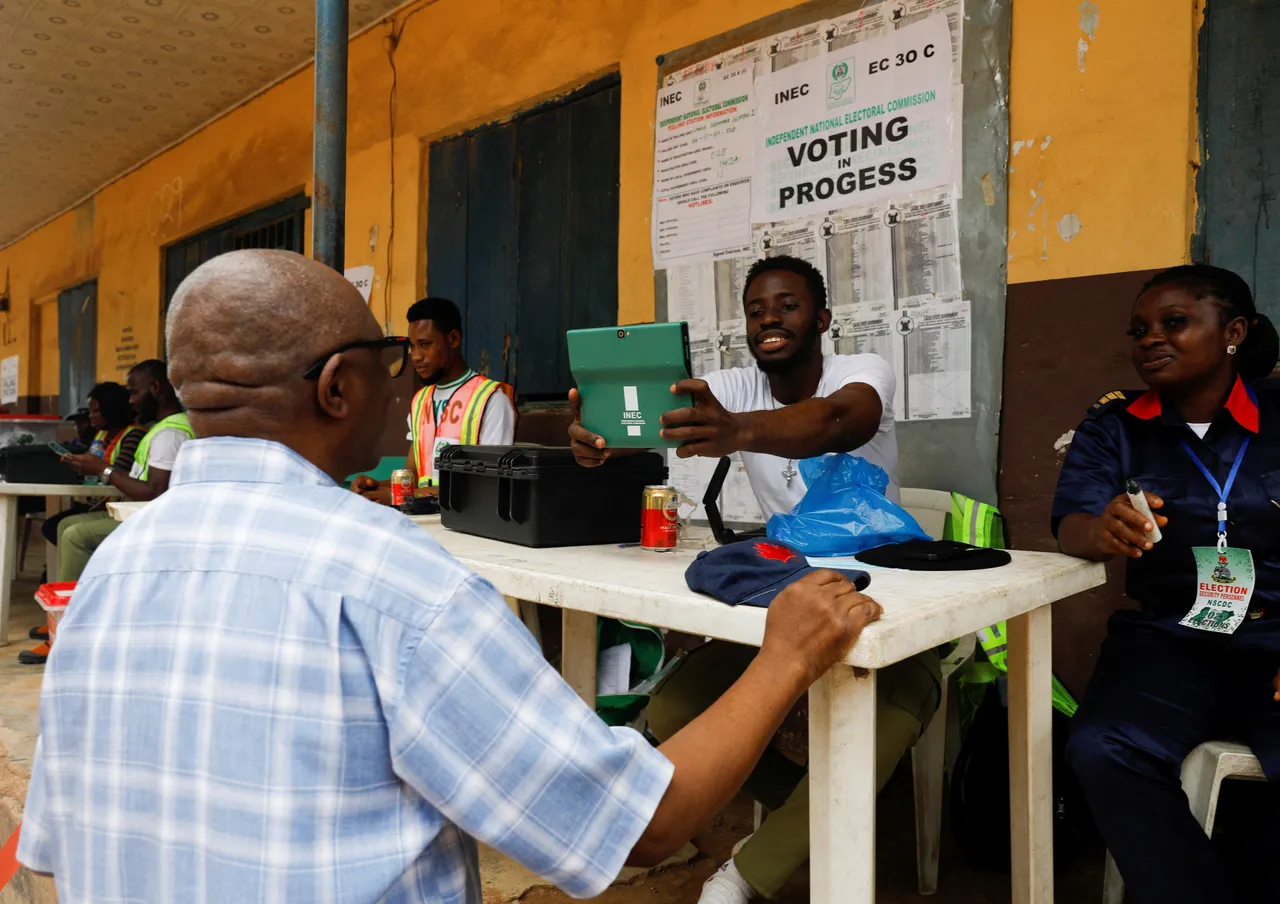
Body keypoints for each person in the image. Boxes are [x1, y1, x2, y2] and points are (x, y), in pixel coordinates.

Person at [18, 249, 885, 902]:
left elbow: (54, 849)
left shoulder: (109, 569)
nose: (403, 377)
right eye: (387, 357)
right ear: (336, 388)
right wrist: (787, 656)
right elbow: (639, 827)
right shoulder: (395, 580)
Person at [569, 254, 940, 903]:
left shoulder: (862, 373)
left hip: (882, 595)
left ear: (822, 317)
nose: (769, 317)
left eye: (787, 304)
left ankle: (745, 875)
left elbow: (836, 421)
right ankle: (818, 809)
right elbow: (664, 416)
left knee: (893, 710)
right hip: (782, 596)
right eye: (755, 309)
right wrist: (600, 433)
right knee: (674, 709)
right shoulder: (736, 386)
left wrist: (737, 431)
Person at [1052, 264, 1280, 904]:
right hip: (1171, 637)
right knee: (1102, 747)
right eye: (1140, 329)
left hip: (1274, 634)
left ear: (1233, 331)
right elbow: (1071, 522)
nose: (1150, 339)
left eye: (1174, 323)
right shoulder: (1117, 424)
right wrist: (1102, 529)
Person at [19, 383, 144, 664]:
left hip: (121, 507)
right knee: (60, 526)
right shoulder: (101, 434)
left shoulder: (133, 435)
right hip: (103, 501)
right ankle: (59, 614)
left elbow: (119, 474)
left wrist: (96, 469)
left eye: (96, 410)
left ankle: (66, 630)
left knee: (72, 532)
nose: (92, 416)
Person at [352, 296, 515, 502]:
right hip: (421, 522)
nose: (416, 356)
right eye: (412, 347)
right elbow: (413, 475)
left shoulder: (491, 400)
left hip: (464, 528)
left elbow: (490, 484)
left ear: (453, 339)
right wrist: (376, 486)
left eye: (425, 344)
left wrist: (397, 496)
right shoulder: (421, 401)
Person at [54, 359, 194, 583]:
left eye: (134, 393)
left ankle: (71, 611)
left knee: (75, 536)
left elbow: (155, 492)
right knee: (65, 524)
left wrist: (103, 469)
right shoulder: (160, 429)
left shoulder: (170, 433)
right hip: (138, 513)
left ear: (155, 388)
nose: (131, 401)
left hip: (156, 521)